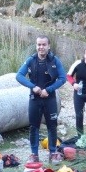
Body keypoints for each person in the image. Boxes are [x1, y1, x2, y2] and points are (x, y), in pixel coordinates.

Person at [16, 35, 66, 164]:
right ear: (36, 46)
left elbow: (62, 78)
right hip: (35, 99)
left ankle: (53, 152)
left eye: (44, 45)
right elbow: (19, 76)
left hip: (50, 99)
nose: (41, 47)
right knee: (34, 126)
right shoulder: (31, 61)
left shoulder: (55, 61)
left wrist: (48, 90)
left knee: (52, 126)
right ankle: (34, 154)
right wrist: (33, 87)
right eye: (39, 44)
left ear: (49, 46)